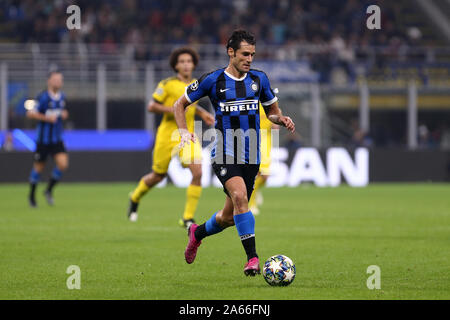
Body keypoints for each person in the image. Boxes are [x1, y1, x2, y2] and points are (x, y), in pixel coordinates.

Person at [173, 30, 295, 276]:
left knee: (228, 217)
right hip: (223, 152)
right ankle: (252, 259)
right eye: (244, 54)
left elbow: (272, 111)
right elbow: (180, 104)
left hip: (251, 155)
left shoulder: (260, 80)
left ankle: (197, 233)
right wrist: (184, 131)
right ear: (231, 52)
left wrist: (280, 119)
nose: (249, 59)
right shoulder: (213, 80)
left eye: (252, 54)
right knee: (240, 197)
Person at [128, 47, 215, 228]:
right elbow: (152, 106)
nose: (185, 64)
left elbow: (190, 104)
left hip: (188, 134)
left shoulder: (196, 85)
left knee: (198, 172)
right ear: (176, 65)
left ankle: (187, 218)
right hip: (167, 135)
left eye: (189, 61)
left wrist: (202, 112)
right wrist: (175, 109)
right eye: (182, 61)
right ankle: (135, 196)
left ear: (193, 64)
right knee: (158, 176)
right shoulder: (166, 84)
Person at [26, 71, 69, 208]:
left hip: (57, 139)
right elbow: (30, 113)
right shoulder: (42, 97)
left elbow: (63, 112)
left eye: (60, 79)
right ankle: (32, 196)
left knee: (63, 164)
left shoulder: (62, 97)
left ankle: (48, 190)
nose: (58, 82)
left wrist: (64, 114)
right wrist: (46, 118)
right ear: (49, 81)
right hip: (43, 140)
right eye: (55, 79)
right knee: (38, 168)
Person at [248, 105, 279, 215]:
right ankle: (252, 205)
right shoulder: (251, 101)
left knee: (264, 177)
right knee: (254, 174)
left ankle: (255, 191)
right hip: (252, 139)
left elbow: (277, 115)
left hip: (266, 142)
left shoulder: (269, 102)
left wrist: (276, 122)